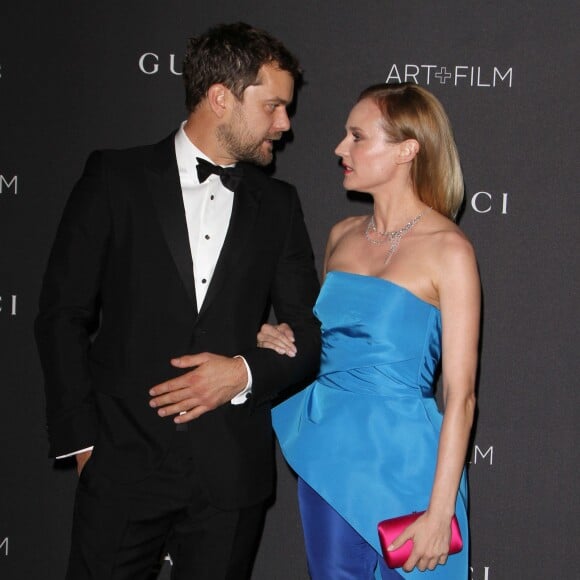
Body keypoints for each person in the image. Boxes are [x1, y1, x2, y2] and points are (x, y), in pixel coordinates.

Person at [34, 22, 321, 580]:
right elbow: (61, 315)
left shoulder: (279, 205)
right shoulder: (115, 177)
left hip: (229, 477)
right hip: (120, 463)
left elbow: (310, 333)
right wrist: (82, 444)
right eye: (273, 106)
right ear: (220, 98)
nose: (285, 125)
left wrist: (241, 373)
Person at [258, 82, 480, 578]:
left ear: (406, 150)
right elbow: (322, 344)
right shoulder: (341, 235)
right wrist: (277, 338)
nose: (340, 148)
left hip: (410, 468)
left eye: (357, 136)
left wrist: (439, 511)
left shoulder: (450, 250)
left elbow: (460, 395)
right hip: (330, 460)